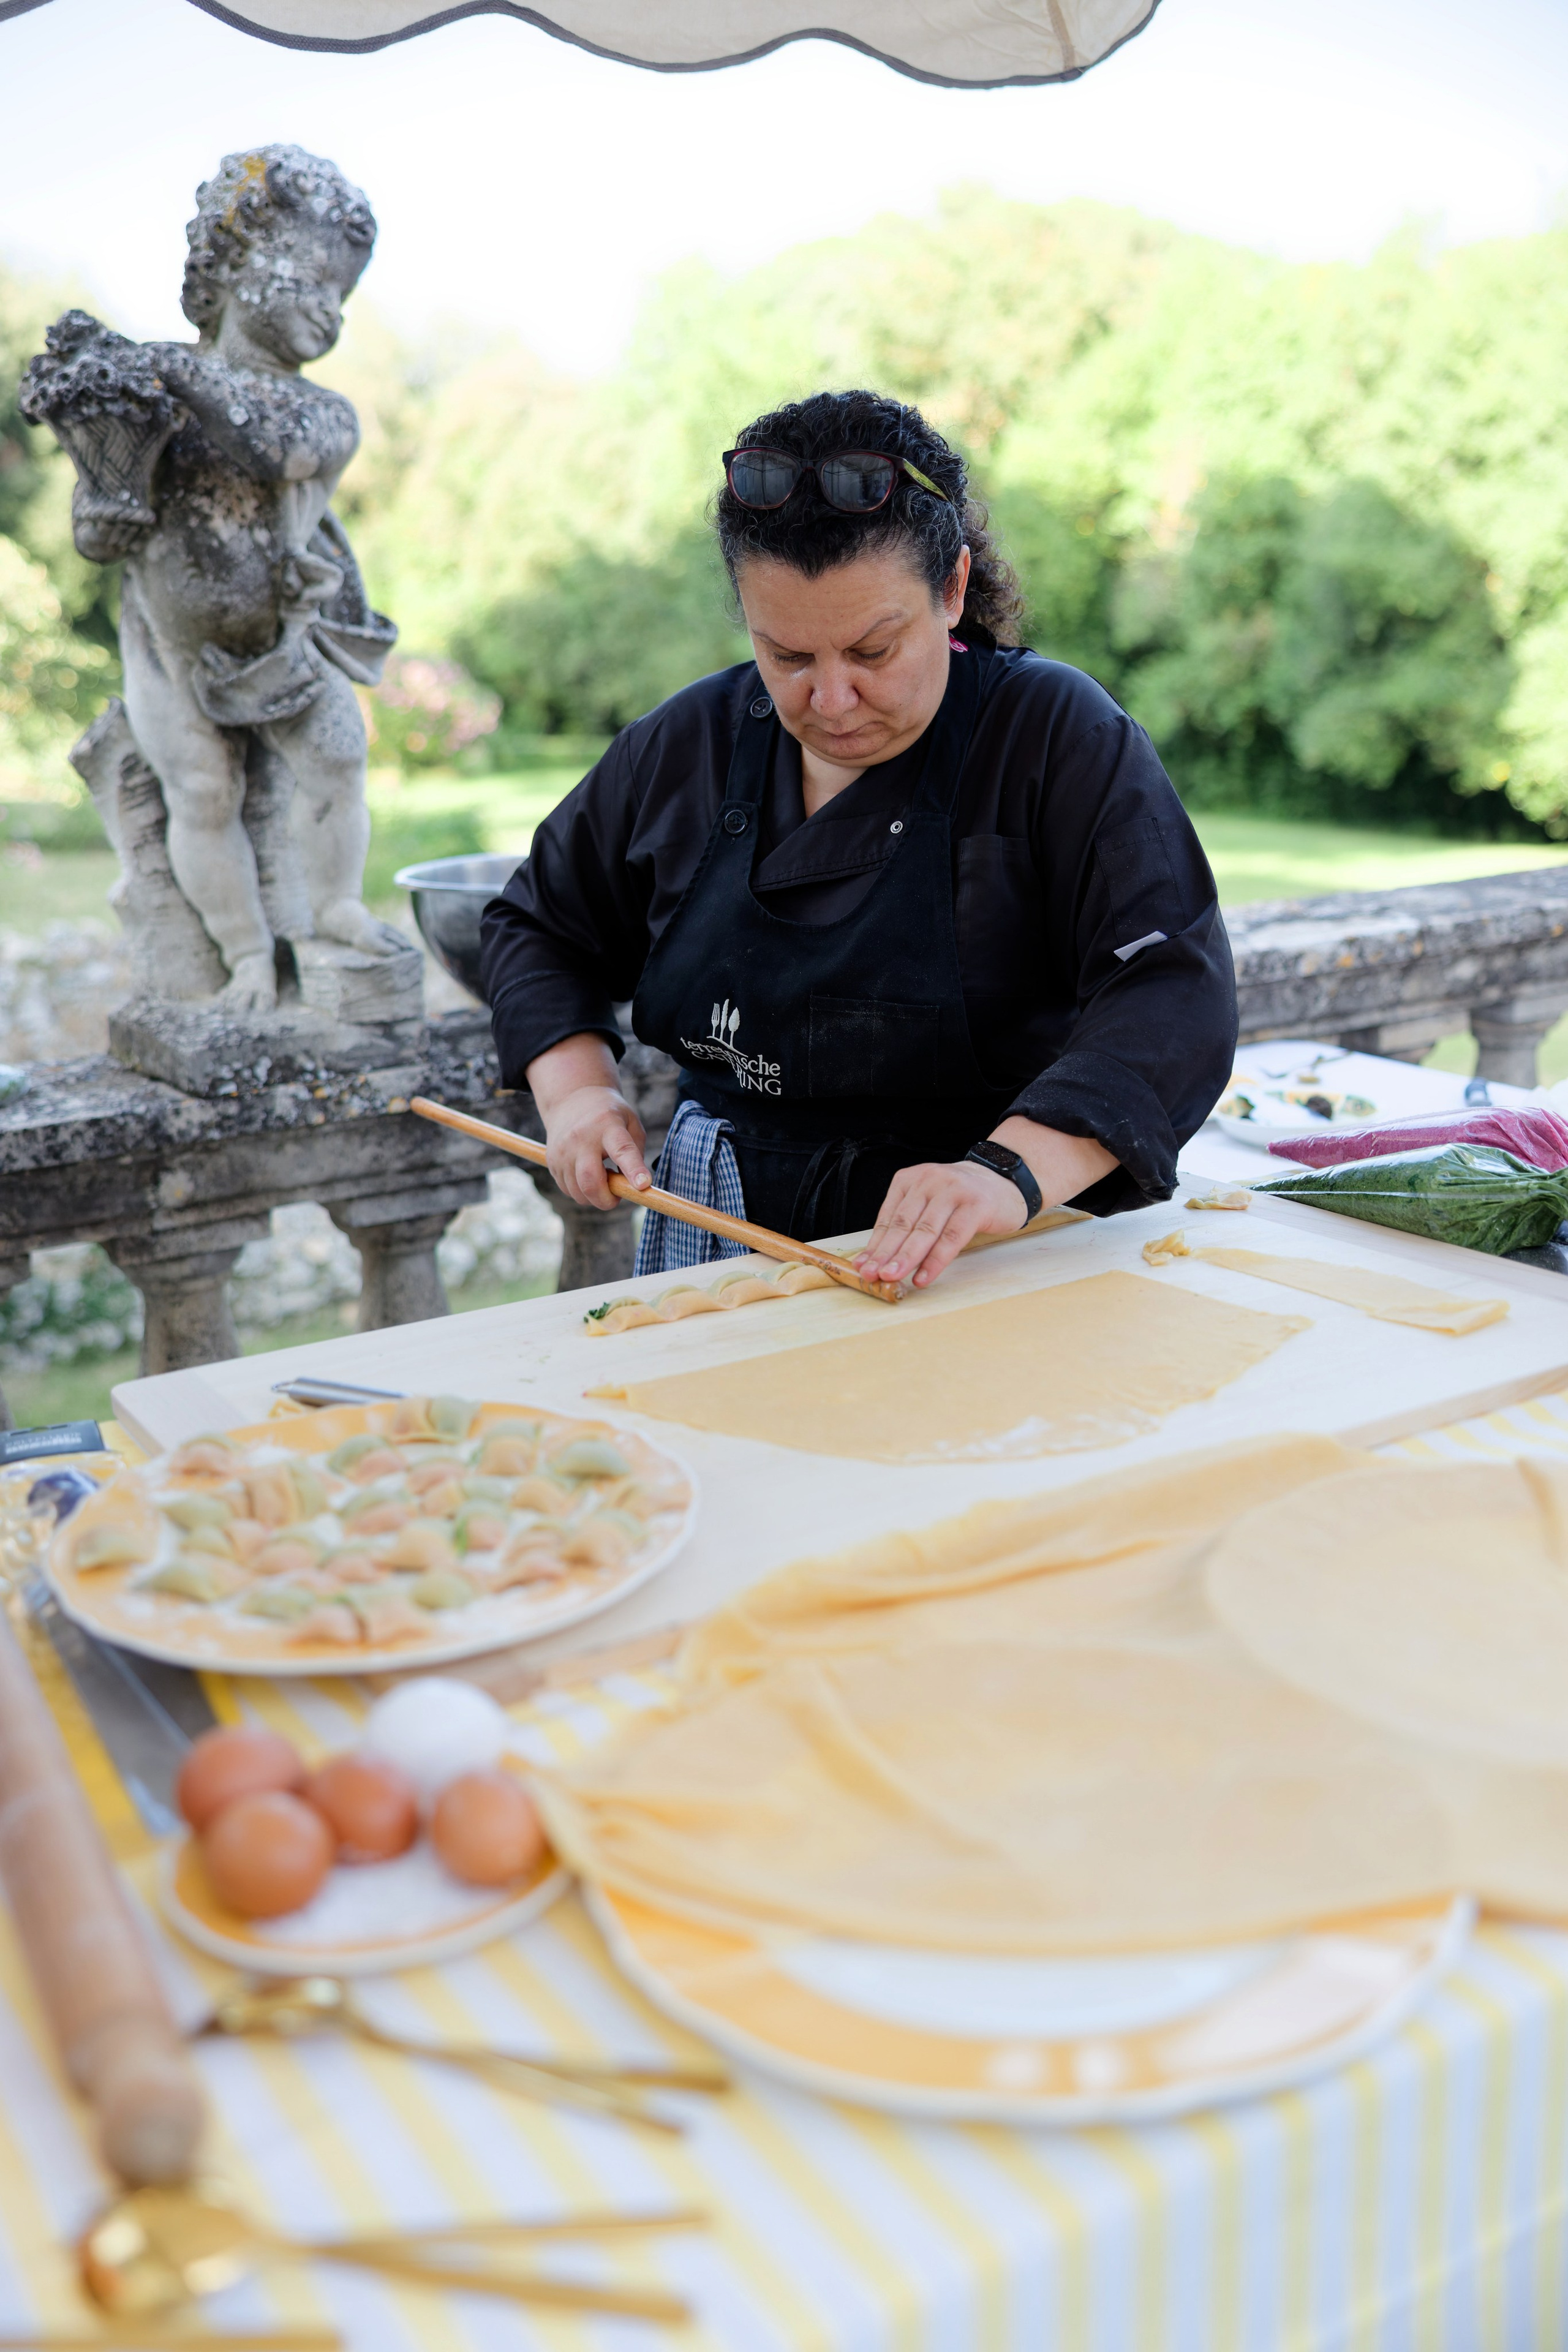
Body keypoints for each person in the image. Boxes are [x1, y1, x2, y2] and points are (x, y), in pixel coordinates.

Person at [480, 390, 1237, 1292]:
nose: (831, 701)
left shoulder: (1052, 735)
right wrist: (577, 1095)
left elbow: (1171, 987)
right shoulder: (688, 745)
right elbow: (540, 924)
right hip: (725, 1241)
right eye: (787, 657)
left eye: (872, 652)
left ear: (951, 590)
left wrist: (1007, 1173)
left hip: (991, 1249)